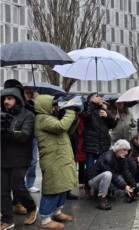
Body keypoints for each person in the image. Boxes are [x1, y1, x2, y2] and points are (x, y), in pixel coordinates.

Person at [34, 94, 79, 229]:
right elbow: (61, 127)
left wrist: (75, 118)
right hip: (52, 159)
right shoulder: (41, 118)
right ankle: (45, 220)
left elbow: (67, 131)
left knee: (62, 186)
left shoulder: (51, 117)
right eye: (53, 104)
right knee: (52, 188)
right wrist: (70, 110)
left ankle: (57, 212)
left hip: (61, 157)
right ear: (45, 105)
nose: (56, 106)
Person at [1, 87, 38, 230]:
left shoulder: (28, 115)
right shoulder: (2, 114)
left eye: (9, 98)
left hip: (21, 158)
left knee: (18, 187)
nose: (6, 101)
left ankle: (32, 208)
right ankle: (7, 219)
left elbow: (24, 135)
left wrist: (6, 132)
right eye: (4, 99)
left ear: (17, 99)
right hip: (3, 158)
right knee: (3, 191)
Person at [81, 93, 117, 199]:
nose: (100, 98)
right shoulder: (87, 108)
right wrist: (92, 104)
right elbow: (85, 116)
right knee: (90, 168)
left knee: (104, 167)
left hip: (103, 144)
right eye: (97, 96)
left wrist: (107, 115)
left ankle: (101, 189)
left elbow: (113, 124)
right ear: (91, 99)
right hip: (91, 144)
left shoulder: (103, 109)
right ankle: (87, 189)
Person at [87, 139, 137, 210]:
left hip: (106, 180)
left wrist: (134, 186)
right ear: (118, 149)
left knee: (121, 177)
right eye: (124, 150)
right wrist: (124, 187)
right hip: (93, 181)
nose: (126, 153)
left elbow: (126, 172)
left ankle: (129, 193)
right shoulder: (108, 157)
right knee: (108, 174)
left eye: (127, 150)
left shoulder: (121, 157)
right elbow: (112, 176)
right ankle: (102, 199)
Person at [22, 87, 41, 193]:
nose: (29, 95)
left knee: (33, 161)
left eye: (30, 93)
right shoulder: (20, 103)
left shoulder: (34, 103)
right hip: (22, 135)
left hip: (32, 136)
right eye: (26, 93)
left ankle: (29, 184)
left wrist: (38, 100)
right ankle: (20, 184)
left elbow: (39, 111)